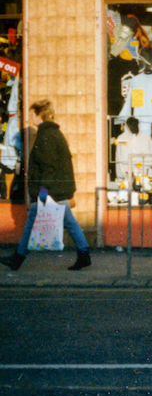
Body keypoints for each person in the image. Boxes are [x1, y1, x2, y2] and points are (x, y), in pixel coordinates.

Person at [2, 99, 91, 271]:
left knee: (31, 223)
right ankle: (83, 254)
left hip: (49, 192)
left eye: (32, 114)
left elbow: (48, 166)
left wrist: (42, 192)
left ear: (38, 115)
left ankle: (18, 258)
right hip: (57, 191)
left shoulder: (46, 135)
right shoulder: (54, 133)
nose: (30, 118)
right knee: (70, 223)